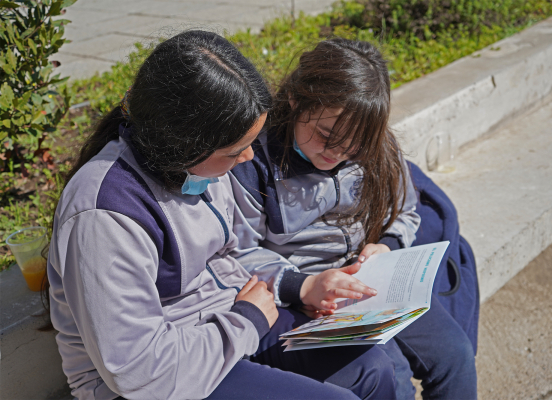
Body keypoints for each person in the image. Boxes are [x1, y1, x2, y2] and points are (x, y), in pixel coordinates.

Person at [47, 31, 398, 400]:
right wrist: (246, 321)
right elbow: (138, 372)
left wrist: (302, 287)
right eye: (235, 151)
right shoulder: (105, 216)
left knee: (372, 369)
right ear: (185, 142)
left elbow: (230, 257)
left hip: (227, 322)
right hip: (163, 373)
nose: (247, 159)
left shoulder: (196, 169)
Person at [230, 38, 477, 400]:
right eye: (326, 136)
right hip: (305, 296)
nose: (337, 154)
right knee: (393, 376)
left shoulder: (374, 145)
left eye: (354, 147)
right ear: (297, 100)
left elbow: (407, 210)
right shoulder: (256, 161)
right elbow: (237, 251)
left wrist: (386, 245)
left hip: (375, 282)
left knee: (455, 357)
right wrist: (303, 285)